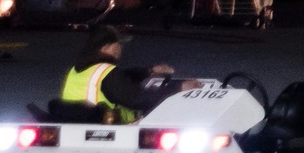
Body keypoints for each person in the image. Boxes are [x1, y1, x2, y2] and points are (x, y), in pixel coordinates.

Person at [62, 25, 201, 123]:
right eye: (118, 45)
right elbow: (138, 98)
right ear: (106, 48)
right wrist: (178, 88)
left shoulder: (77, 70)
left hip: (76, 127)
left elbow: (122, 78)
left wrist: (149, 71)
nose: (121, 49)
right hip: (108, 133)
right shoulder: (107, 74)